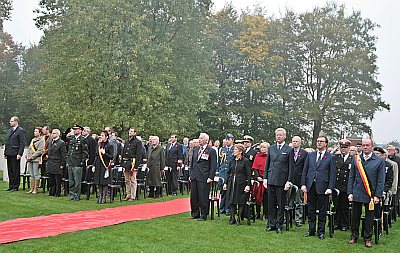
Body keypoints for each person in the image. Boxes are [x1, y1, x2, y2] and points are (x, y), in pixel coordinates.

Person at [348, 139, 385, 248]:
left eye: (367, 145)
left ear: (372, 146)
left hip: (371, 195)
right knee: (355, 216)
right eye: (363, 145)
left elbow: (380, 180)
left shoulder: (379, 161)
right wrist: (350, 192)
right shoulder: (356, 159)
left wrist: (378, 195)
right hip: (357, 192)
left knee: (369, 218)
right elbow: (351, 177)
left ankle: (367, 238)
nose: (365, 147)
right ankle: (354, 236)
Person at [301, 135, 336, 240]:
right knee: (311, 210)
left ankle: (321, 231)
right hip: (311, 186)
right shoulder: (310, 155)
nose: (319, 143)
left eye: (321, 141)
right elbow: (305, 170)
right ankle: (311, 230)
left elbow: (332, 174)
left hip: (323, 188)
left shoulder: (330, 157)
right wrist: (303, 184)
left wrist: (330, 187)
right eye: (318, 141)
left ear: (326, 143)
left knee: (322, 211)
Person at [263, 128, 294, 234]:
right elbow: (267, 164)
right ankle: (271, 224)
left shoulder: (289, 149)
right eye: (277, 135)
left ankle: (279, 225)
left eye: (280, 135)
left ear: (285, 136)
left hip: (282, 181)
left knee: (281, 205)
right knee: (271, 204)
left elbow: (291, 167)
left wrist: (289, 181)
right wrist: (265, 178)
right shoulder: (271, 148)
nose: (278, 137)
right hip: (271, 179)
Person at [189, 132, 217, 221]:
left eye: (201, 138)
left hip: (204, 177)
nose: (199, 139)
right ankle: (195, 213)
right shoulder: (196, 149)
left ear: (206, 140)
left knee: (203, 196)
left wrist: (211, 177)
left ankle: (203, 214)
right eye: (199, 138)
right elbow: (192, 163)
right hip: (194, 176)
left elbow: (213, 165)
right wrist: (191, 174)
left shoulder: (211, 151)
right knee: (194, 196)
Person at [223, 144, 251, 225]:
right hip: (232, 182)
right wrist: (225, 183)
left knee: (240, 201)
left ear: (240, 151)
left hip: (241, 183)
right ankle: (232, 218)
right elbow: (228, 172)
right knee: (231, 200)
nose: (233, 151)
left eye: (235, 149)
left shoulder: (245, 161)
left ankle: (239, 218)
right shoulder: (232, 160)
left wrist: (248, 185)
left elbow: (248, 174)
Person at [334, 139, 353, 231]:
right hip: (337, 185)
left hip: (346, 185)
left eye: (345, 148)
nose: (343, 149)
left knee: (345, 206)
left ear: (349, 148)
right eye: (342, 148)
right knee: (336, 205)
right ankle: (336, 222)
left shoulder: (353, 159)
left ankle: (344, 224)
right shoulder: (336, 157)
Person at [66, 124, 89, 201]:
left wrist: (82, 161)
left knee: (77, 181)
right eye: (74, 129)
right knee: (71, 180)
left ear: (80, 130)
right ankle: (72, 194)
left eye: (76, 129)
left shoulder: (82, 139)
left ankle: (77, 195)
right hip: (71, 162)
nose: (75, 130)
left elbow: (85, 152)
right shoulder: (72, 138)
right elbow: (65, 138)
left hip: (78, 162)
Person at [4, 116, 26, 191]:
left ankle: (16, 186)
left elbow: (22, 143)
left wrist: (19, 153)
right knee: (10, 170)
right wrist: (5, 153)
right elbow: (7, 142)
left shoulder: (20, 130)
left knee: (15, 170)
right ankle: (11, 185)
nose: (10, 122)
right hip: (9, 152)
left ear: (16, 121)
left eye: (11, 121)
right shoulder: (10, 130)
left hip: (15, 153)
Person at [121, 127, 142, 201]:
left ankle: (133, 196)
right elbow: (123, 152)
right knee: (127, 180)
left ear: (135, 133)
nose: (130, 132)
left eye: (132, 131)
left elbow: (139, 155)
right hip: (126, 162)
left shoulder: (138, 142)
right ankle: (128, 194)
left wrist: (136, 166)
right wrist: (122, 163)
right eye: (129, 131)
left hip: (133, 162)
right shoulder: (126, 141)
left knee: (133, 180)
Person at [291, 136, 308, 227]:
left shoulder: (304, 153)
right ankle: (288, 218)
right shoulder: (289, 152)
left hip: (299, 179)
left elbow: (305, 168)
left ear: (300, 143)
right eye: (293, 141)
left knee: (298, 201)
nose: (295, 143)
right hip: (290, 180)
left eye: (296, 141)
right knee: (288, 201)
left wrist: (303, 182)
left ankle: (298, 219)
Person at [93, 131, 114, 204]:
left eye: (102, 135)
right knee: (99, 182)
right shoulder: (99, 145)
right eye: (100, 135)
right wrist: (94, 165)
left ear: (106, 137)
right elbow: (96, 156)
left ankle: (104, 197)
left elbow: (111, 157)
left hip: (105, 165)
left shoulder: (110, 145)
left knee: (104, 182)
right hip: (99, 165)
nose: (101, 137)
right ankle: (100, 196)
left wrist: (104, 153)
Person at [46, 129, 67, 197]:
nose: (52, 134)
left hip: (57, 163)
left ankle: (57, 193)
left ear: (58, 134)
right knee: (51, 179)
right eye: (52, 133)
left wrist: (62, 164)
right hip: (50, 162)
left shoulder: (61, 143)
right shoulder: (51, 142)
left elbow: (63, 155)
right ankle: (51, 192)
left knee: (57, 180)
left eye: (54, 133)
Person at [252, 142, 269, 220]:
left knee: (266, 198)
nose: (262, 149)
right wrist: (257, 177)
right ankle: (257, 213)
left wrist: (265, 178)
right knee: (257, 197)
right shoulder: (257, 156)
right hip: (258, 179)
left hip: (267, 180)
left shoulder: (270, 156)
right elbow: (255, 167)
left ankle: (265, 213)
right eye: (261, 147)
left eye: (264, 147)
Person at [218, 133, 235, 215]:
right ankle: (222, 208)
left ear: (232, 140)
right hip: (222, 172)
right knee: (222, 191)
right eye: (226, 139)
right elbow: (220, 162)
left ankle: (228, 208)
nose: (227, 141)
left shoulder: (234, 149)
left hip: (230, 173)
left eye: (229, 140)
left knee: (229, 191)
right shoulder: (222, 149)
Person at [25, 127, 45, 194]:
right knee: (31, 174)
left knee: (36, 174)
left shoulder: (42, 140)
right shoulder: (33, 140)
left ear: (39, 133)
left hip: (36, 159)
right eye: (34, 131)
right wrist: (27, 155)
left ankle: (36, 189)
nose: (34, 132)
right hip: (30, 159)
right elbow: (29, 148)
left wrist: (32, 157)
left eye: (36, 131)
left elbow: (40, 151)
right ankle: (32, 188)